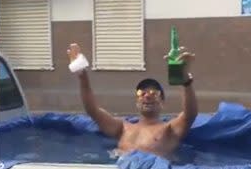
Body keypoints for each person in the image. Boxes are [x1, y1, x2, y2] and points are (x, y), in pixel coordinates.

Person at [68, 43, 197, 158]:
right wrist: (82, 76)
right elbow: (93, 111)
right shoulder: (122, 128)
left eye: (154, 93)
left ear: (162, 103)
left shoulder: (168, 130)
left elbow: (189, 115)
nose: (147, 96)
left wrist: (185, 82)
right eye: (142, 92)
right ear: (137, 102)